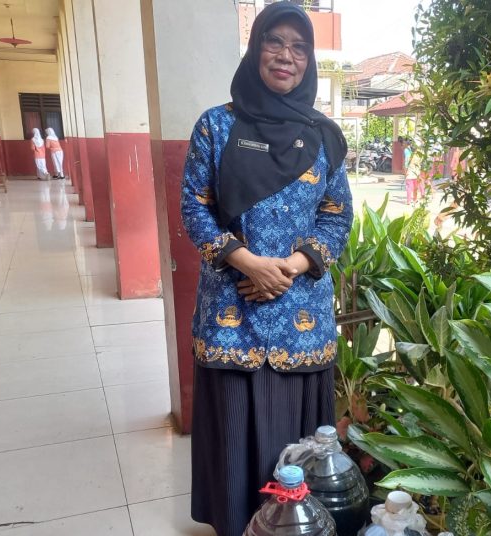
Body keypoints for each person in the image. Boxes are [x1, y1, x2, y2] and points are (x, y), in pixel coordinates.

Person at [180, 3, 353, 535]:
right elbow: (194, 207)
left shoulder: (324, 135)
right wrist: (249, 263)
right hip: (232, 309)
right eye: (274, 42)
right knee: (236, 425)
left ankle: (296, 524)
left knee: (296, 437)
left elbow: (337, 216)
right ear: (255, 49)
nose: (286, 56)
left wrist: (293, 267)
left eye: (299, 47)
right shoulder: (217, 125)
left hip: (300, 311)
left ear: (310, 60)